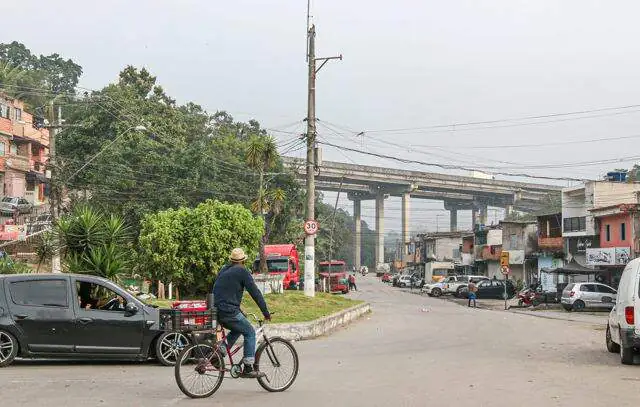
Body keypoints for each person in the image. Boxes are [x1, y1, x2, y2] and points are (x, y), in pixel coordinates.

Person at [213, 248, 271, 379]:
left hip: (217, 310)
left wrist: (238, 308)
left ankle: (220, 351)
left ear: (232, 260)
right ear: (243, 261)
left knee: (238, 328)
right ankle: (248, 367)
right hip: (229, 311)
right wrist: (266, 312)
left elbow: (224, 291)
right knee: (250, 332)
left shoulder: (224, 269)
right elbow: (255, 293)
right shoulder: (242, 271)